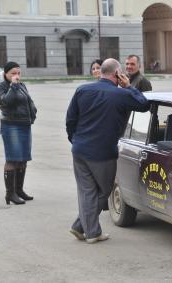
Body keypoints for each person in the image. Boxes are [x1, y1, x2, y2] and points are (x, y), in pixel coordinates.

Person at [66, 58, 149, 244]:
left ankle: (81, 227)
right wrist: (128, 87)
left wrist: (76, 140)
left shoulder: (82, 90)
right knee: (104, 191)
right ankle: (91, 232)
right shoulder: (121, 94)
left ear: (102, 72)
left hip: (79, 150)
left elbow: (70, 119)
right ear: (117, 74)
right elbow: (144, 104)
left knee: (87, 191)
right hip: (103, 153)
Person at [0, 62, 37, 205]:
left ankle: (19, 190)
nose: (16, 76)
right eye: (13, 73)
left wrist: (33, 113)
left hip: (25, 125)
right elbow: (6, 102)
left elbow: (27, 101)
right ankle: (10, 194)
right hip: (11, 125)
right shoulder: (1, 87)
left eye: (18, 73)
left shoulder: (21, 85)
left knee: (23, 159)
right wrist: (13, 86)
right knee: (12, 159)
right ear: (5, 74)